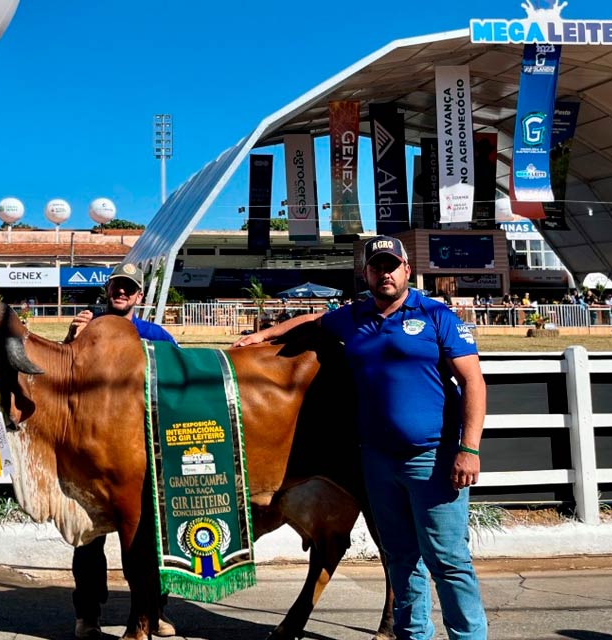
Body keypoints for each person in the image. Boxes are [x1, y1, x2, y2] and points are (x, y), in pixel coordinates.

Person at [234, 235, 488, 639]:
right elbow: (313, 321)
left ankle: (469, 637)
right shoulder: (353, 316)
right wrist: (265, 336)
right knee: (402, 558)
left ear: (407, 269)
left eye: (391, 266)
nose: (384, 273)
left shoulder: (437, 316)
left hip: (432, 457)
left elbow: (473, 382)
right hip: (377, 460)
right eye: (376, 267)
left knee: (448, 560)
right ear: (366, 273)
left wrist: (469, 449)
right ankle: (412, 635)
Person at [64, 262, 176, 640]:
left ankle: (155, 609)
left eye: (129, 288)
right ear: (107, 291)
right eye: (117, 287)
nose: (122, 293)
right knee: (89, 539)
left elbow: (178, 384)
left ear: (139, 295)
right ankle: (88, 615)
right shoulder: (88, 329)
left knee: (153, 538)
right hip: (94, 456)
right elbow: (63, 380)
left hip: (144, 453)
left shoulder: (156, 335)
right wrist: (71, 338)